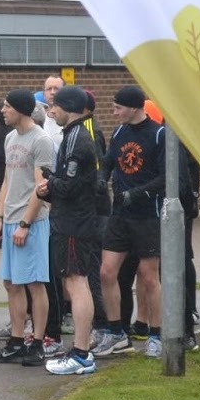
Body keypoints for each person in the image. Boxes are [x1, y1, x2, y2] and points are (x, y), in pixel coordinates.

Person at [0, 90, 57, 366]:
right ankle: (15, 341)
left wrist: (25, 223)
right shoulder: (10, 137)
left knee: (35, 283)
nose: (3, 111)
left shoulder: (41, 140)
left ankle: (37, 343)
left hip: (32, 222)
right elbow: (7, 180)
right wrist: (0, 218)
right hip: (11, 218)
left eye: (7, 107)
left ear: (22, 110)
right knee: (11, 282)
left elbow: (41, 188)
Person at [100, 85, 167, 358]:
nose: (114, 112)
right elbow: (108, 162)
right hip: (120, 216)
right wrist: (100, 178)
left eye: (119, 107)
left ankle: (155, 335)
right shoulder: (119, 132)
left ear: (134, 107)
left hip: (146, 216)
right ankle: (116, 332)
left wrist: (136, 194)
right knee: (106, 272)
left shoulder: (158, 134)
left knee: (149, 277)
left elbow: (164, 178)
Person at [41, 85, 104, 374]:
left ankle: (81, 353)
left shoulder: (78, 140)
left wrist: (50, 185)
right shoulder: (72, 135)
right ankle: (80, 349)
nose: (52, 111)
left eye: (56, 105)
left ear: (69, 107)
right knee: (72, 282)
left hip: (74, 223)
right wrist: (52, 184)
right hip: (70, 220)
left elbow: (71, 185)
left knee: (77, 283)